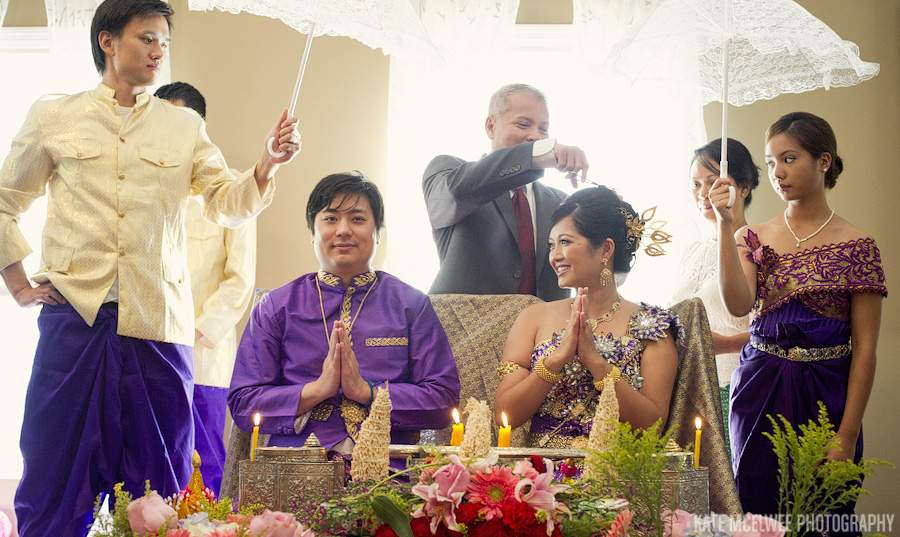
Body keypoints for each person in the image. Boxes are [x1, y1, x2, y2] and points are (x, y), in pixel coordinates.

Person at [0, 0, 299, 534]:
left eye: (164, 40)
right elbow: (4, 199)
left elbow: (224, 202)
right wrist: (18, 284)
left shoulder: (183, 126)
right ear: (108, 42)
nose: (159, 51)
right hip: (75, 323)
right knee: (54, 469)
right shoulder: (54, 116)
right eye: (147, 39)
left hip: (159, 328)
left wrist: (265, 164)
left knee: (159, 482)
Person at [710, 112, 886, 532]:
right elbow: (738, 305)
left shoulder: (858, 246)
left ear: (824, 161)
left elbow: (864, 349)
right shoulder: (752, 236)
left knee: (825, 516)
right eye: (771, 163)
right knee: (756, 513)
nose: (777, 173)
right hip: (760, 389)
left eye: (788, 159)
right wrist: (726, 225)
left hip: (827, 394)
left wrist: (846, 434)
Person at [228, 172, 460, 456]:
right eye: (330, 218)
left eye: (358, 219)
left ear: (377, 236)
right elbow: (244, 402)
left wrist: (367, 392)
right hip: (297, 466)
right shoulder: (276, 306)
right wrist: (317, 390)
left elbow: (443, 399)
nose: (343, 230)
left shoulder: (411, 304)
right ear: (313, 234)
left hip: (389, 468)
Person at [494, 186, 680, 450]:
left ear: (606, 249)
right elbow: (505, 417)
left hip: (617, 480)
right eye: (551, 245)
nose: (554, 256)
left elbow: (652, 428)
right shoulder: (532, 318)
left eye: (565, 242)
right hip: (539, 481)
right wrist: (555, 361)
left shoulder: (652, 326)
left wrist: (597, 363)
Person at [155, 81, 258, 495]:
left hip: (203, 358)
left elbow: (240, 280)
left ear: (200, 128)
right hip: (150, 351)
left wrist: (195, 332)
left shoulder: (233, 191)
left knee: (204, 468)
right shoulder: (146, 194)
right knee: (152, 465)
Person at [423, 83, 588, 301]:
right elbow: (454, 195)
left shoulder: (560, 202)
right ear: (491, 126)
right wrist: (537, 154)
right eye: (523, 124)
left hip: (544, 331)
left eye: (544, 129)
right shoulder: (449, 173)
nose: (536, 137)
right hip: (465, 331)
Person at [671, 138, 760, 452]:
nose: (703, 192)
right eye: (695, 183)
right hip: (685, 386)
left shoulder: (757, 244)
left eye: (712, 181)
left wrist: (722, 344)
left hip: (734, 383)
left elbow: (778, 333)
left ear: (744, 187)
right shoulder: (690, 250)